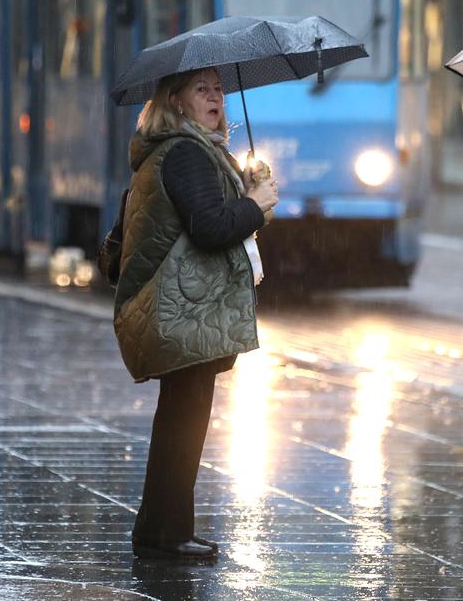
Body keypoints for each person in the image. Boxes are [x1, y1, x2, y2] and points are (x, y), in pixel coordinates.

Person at [112, 68, 278, 561]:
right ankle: (164, 533)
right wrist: (254, 204)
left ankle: (164, 528)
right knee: (183, 422)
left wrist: (244, 192)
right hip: (182, 306)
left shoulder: (189, 150)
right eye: (201, 89)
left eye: (219, 88)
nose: (215, 97)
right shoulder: (185, 154)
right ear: (176, 102)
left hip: (184, 305)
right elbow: (209, 228)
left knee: (181, 418)